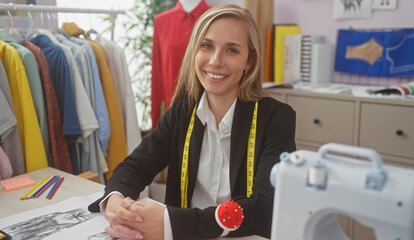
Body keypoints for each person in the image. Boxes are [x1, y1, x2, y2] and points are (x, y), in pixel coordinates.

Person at [88, 4, 296, 239]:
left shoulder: (276, 118)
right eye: (207, 46)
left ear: (250, 60)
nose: (215, 61)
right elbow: (135, 166)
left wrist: (171, 223)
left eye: (232, 50)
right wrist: (115, 200)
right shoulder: (182, 111)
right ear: (194, 51)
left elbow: (264, 207)